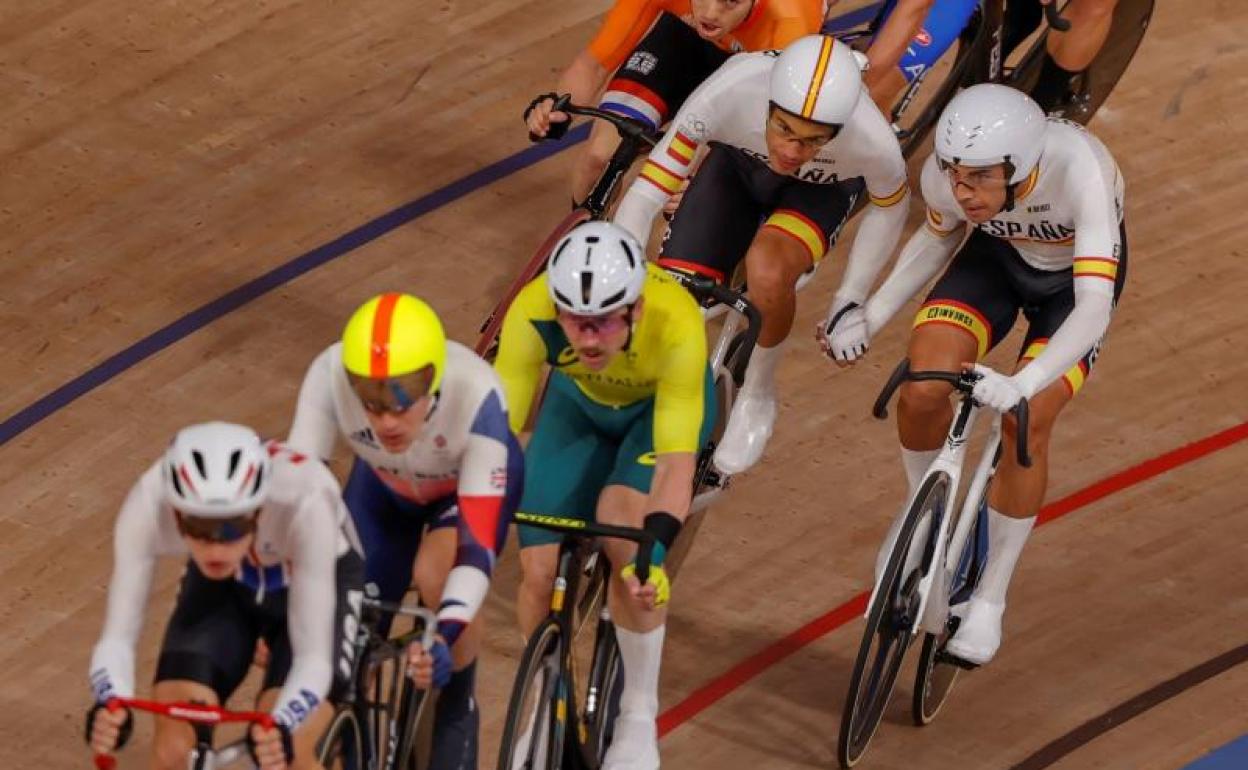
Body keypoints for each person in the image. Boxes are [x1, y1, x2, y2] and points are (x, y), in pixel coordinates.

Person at [820, 83, 1126, 664]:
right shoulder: (949, 179)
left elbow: (1092, 308)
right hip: (996, 264)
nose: (964, 191)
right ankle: (922, 516)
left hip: (1071, 292)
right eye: (955, 175)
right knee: (923, 384)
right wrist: (873, 314)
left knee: (1023, 425)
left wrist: (1022, 386)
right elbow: (936, 239)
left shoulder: (1080, 169)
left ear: (1023, 166)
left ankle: (990, 599)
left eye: (981, 178)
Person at [613, 34, 909, 474]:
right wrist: (624, 268)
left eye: (813, 141)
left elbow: (891, 211)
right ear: (767, 103)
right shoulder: (732, 88)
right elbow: (647, 191)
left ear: (841, 130)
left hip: (817, 193)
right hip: (736, 169)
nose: (791, 151)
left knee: (767, 271)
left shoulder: (873, 139)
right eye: (783, 128)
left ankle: (758, 390)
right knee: (672, 299)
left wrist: (850, 297)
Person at [494, 221, 715, 769]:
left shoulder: (678, 326)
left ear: (635, 310)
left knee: (624, 531)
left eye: (602, 324)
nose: (587, 340)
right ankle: (547, 703)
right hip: (579, 408)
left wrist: (652, 548)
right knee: (538, 567)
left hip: (652, 416)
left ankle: (639, 713)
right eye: (575, 322)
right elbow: (496, 433)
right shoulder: (531, 310)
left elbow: (674, 467)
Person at [287, 292, 522, 769]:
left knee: (437, 573)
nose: (387, 420)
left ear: (433, 380)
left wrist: (443, 635)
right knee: (346, 633)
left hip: (461, 496)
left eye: (400, 401)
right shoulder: (328, 374)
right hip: (384, 493)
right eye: (370, 403)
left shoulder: (479, 399)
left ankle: (457, 704)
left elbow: (475, 556)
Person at [86, 422, 365, 770]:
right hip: (229, 586)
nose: (216, 548)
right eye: (199, 529)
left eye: (232, 527)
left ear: (258, 510)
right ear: (176, 513)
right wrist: (111, 702)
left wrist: (282, 723)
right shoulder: (148, 501)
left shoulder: (304, 504)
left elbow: (313, 661)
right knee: (173, 749)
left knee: (289, 751)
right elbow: (117, 637)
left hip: (318, 577)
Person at [523, 0, 826, 203]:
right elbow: (593, 64)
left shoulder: (790, 21)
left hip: (752, 64)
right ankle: (577, 244)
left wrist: (701, 168)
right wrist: (555, 109)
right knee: (598, 159)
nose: (710, 12)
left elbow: (763, 124)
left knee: (692, 192)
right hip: (682, 40)